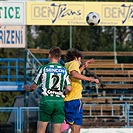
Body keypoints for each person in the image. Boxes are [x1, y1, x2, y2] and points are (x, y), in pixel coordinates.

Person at [24, 46, 72, 133]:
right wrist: (63, 93)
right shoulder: (64, 70)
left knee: (41, 130)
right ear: (59, 58)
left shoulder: (44, 69)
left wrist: (27, 88)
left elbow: (33, 87)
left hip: (47, 101)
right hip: (59, 102)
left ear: (49, 55)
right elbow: (69, 88)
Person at [64, 48, 99, 133]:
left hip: (71, 100)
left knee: (76, 129)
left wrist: (84, 66)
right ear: (76, 57)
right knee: (75, 129)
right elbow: (75, 74)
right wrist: (90, 79)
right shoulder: (73, 63)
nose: (80, 62)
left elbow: (75, 74)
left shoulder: (67, 64)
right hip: (73, 99)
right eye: (80, 59)